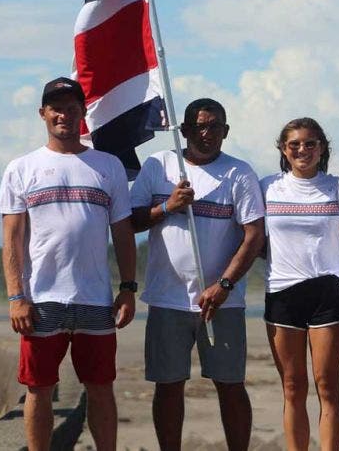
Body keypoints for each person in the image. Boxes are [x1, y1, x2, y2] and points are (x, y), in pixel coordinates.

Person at [0, 77, 137, 451]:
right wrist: (16, 296)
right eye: (56, 107)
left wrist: (128, 289)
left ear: (83, 112)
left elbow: (123, 233)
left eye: (72, 107)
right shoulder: (21, 168)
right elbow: (11, 239)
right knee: (38, 389)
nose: (64, 114)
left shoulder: (108, 166)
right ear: (43, 113)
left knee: (101, 387)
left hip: (94, 298)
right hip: (41, 299)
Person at [130, 98, 265, 451]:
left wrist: (224, 285)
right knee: (168, 384)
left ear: (226, 131)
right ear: (185, 130)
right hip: (167, 298)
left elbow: (254, 235)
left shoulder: (239, 173)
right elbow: (129, 221)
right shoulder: (158, 166)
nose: (208, 133)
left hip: (223, 303)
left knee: (230, 383)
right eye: (200, 126)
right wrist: (167, 207)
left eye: (216, 126)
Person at [260, 118, 339, 450]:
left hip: (326, 291)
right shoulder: (267, 186)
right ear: (283, 149)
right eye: (294, 144)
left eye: (310, 143)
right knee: (293, 387)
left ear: (322, 147)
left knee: (327, 386)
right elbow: (252, 235)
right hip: (282, 293)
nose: (302, 150)